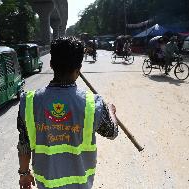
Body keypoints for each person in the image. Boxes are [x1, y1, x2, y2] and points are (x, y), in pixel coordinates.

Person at [17, 37, 119, 189]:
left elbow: (24, 143)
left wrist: (24, 174)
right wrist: (110, 111)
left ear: (51, 65)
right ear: (79, 68)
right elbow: (112, 132)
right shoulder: (93, 103)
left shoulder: (29, 102)